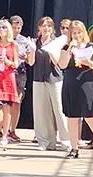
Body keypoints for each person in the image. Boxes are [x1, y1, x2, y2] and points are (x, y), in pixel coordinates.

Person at [57, 20, 93, 160]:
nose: (77, 35)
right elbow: (62, 65)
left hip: (87, 84)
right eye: (74, 33)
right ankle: (74, 149)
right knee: (72, 117)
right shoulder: (66, 47)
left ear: (84, 33)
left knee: (91, 116)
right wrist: (69, 49)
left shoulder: (90, 46)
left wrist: (90, 63)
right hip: (71, 84)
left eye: (79, 32)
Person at [29, 16, 70, 152]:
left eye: (49, 26)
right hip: (38, 79)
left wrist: (51, 50)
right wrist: (32, 50)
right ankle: (45, 142)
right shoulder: (35, 42)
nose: (46, 28)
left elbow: (58, 62)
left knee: (59, 110)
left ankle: (66, 141)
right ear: (39, 28)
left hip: (55, 78)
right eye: (43, 26)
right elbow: (31, 62)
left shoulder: (57, 42)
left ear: (52, 29)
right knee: (41, 112)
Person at [0, 19, 19, 145]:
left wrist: (7, 62)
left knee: (7, 108)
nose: (1, 30)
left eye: (4, 27)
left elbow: (16, 64)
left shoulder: (13, 45)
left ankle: (5, 135)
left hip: (8, 78)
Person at [9, 15, 35, 143]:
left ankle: (12, 130)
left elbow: (30, 60)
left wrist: (26, 57)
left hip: (20, 71)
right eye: (14, 28)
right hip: (7, 71)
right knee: (4, 102)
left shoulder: (24, 41)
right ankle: (2, 130)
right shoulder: (3, 38)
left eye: (18, 28)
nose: (16, 30)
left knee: (17, 101)